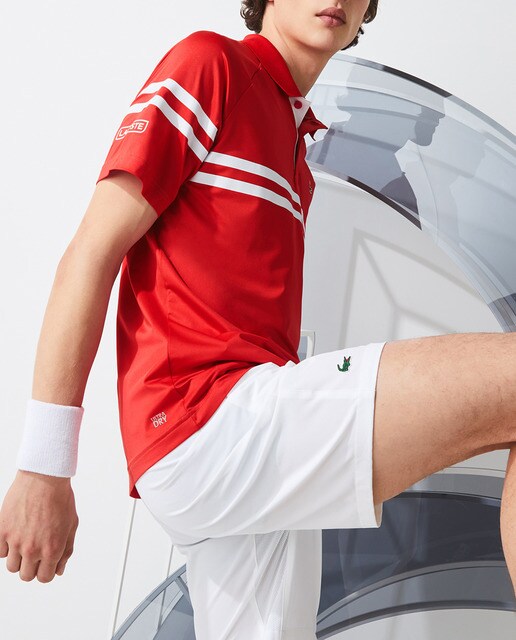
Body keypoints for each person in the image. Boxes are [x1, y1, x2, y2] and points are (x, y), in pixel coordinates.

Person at [1, 1, 516, 638]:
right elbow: (91, 252)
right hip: (208, 420)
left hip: (240, 442)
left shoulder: (297, 148)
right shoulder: (210, 65)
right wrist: (43, 465)